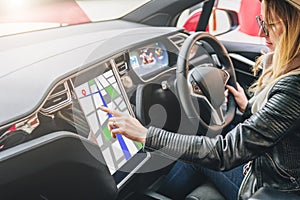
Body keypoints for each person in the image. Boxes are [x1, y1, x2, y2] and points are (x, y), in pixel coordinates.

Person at [101, 0, 300, 199]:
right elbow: (276, 131)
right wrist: (247, 107)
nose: (261, 33)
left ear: (295, 28)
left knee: (193, 160)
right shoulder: (290, 71)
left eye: (270, 25)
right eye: (261, 21)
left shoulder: (293, 89)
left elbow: (226, 153)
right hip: (273, 173)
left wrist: (146, 135)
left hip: (271, 187)